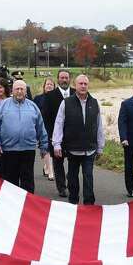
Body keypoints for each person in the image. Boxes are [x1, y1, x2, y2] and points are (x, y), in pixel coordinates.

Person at [52, 74, 104, 205]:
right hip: (72, 149)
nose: (83, 86)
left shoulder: (94, 103)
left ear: (88, 86)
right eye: (80, 83)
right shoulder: (66, 103)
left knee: (88, 177)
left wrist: (100, 146)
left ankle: (89, 204)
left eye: (85, 84)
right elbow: (59, 124)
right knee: (72, 178)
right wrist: (56, 144)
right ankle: (73, 202)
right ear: (75, 85)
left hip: (90, 149)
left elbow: (98, 125)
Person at [0, 79, 47, 192]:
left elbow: (40, 127)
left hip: (28, 150)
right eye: (17, 89)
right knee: (10, 184)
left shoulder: (33, 107)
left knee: (28, 183)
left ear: (26, 91)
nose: (19, 91)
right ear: (12, 91)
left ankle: (28, 207)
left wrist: (44, 146)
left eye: (22, 89)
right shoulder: (2, 106)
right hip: (8, 151)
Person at [38, 69, 73, 196]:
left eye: (66, 78)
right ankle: (61, 187)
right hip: (56, 135)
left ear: (70, 79)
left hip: (74, 137)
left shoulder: (75, 93)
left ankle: (71, 181)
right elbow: (46, 118)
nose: (64, 80)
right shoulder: (50, 96)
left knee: (74, 161)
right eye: (62, 78)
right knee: (58, 162)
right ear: (58, 79)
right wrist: (49, 136)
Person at [32, 77, 57, 181]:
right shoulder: (38, 98)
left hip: (54, 126)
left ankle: (46, 166)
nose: (49, 86)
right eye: (47, 84)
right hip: (42, 126)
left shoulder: (57, 98)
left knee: (51, 148)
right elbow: (33, 113)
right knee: (45, 147)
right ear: (44, 86)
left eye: (51, 84)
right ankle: (51, 171)